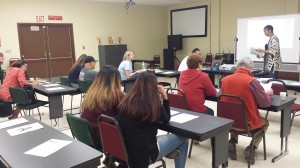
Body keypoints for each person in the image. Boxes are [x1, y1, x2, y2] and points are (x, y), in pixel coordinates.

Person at [117, 73, 188, 168]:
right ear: (153, 87)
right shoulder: (152, 103)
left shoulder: (126, 100)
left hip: (126, 152)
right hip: (146, 154)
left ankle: (170, 150)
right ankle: (171, 152)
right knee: (183, 138)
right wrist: (165, 97)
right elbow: (166, 119)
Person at [221, 57, 273, 164]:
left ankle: (232, 141)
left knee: (235, 113)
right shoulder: (252, 82)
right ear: (250, 68)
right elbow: (265, 103)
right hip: (247, 124)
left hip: (228, 123)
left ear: (238, 66)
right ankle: (252, 148)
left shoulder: (225, 80)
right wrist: (269, 94)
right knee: (266, 123)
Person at [81, 65, 124, 150]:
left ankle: (111, 160)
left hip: (88, 134)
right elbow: (128, 111)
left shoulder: (91, 92)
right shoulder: (115, 94)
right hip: (102, 136)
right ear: (116, 80)